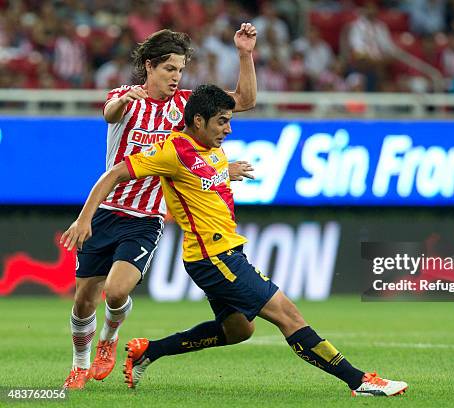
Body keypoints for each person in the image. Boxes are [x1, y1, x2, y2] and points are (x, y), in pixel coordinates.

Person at [61, 84, 408, 397]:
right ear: (198, 120)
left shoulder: (211, 147)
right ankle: (359, 381)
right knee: (289, 316)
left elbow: (203, 172)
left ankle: (148, 351)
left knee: (239, 330)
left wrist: (245, 54)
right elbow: (116, 173)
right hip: (215, 258)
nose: (229, 128)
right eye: (222, 122)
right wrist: (85, 218)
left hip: (222, 253)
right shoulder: (170, 151)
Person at [62, 25, 258, 390]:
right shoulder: (126, 97)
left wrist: (245, 54)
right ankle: (78, 363)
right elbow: (109, 113)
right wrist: (84, 218)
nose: (176, 77)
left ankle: (108, 338)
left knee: (117, 291)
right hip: (107, 211)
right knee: (83, 300)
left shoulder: (185, 105)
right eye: (170, 69)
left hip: (147, 217)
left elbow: (243, 101)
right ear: (150, 67)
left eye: (181, 70)